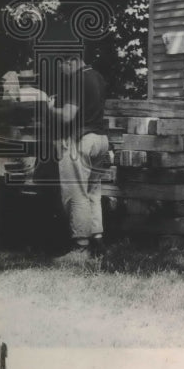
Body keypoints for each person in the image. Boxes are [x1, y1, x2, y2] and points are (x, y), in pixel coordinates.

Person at [48, 48, 108, 264]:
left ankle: (80, 248)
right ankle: (98, 242)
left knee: (76, 194)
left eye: (63, 67)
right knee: (93, 192)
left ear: (72, 61)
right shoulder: (97, 77)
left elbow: (67, 116)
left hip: (81, 142)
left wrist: (50, 107)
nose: (63, 72)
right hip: (101, 141)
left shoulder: (77, 79)